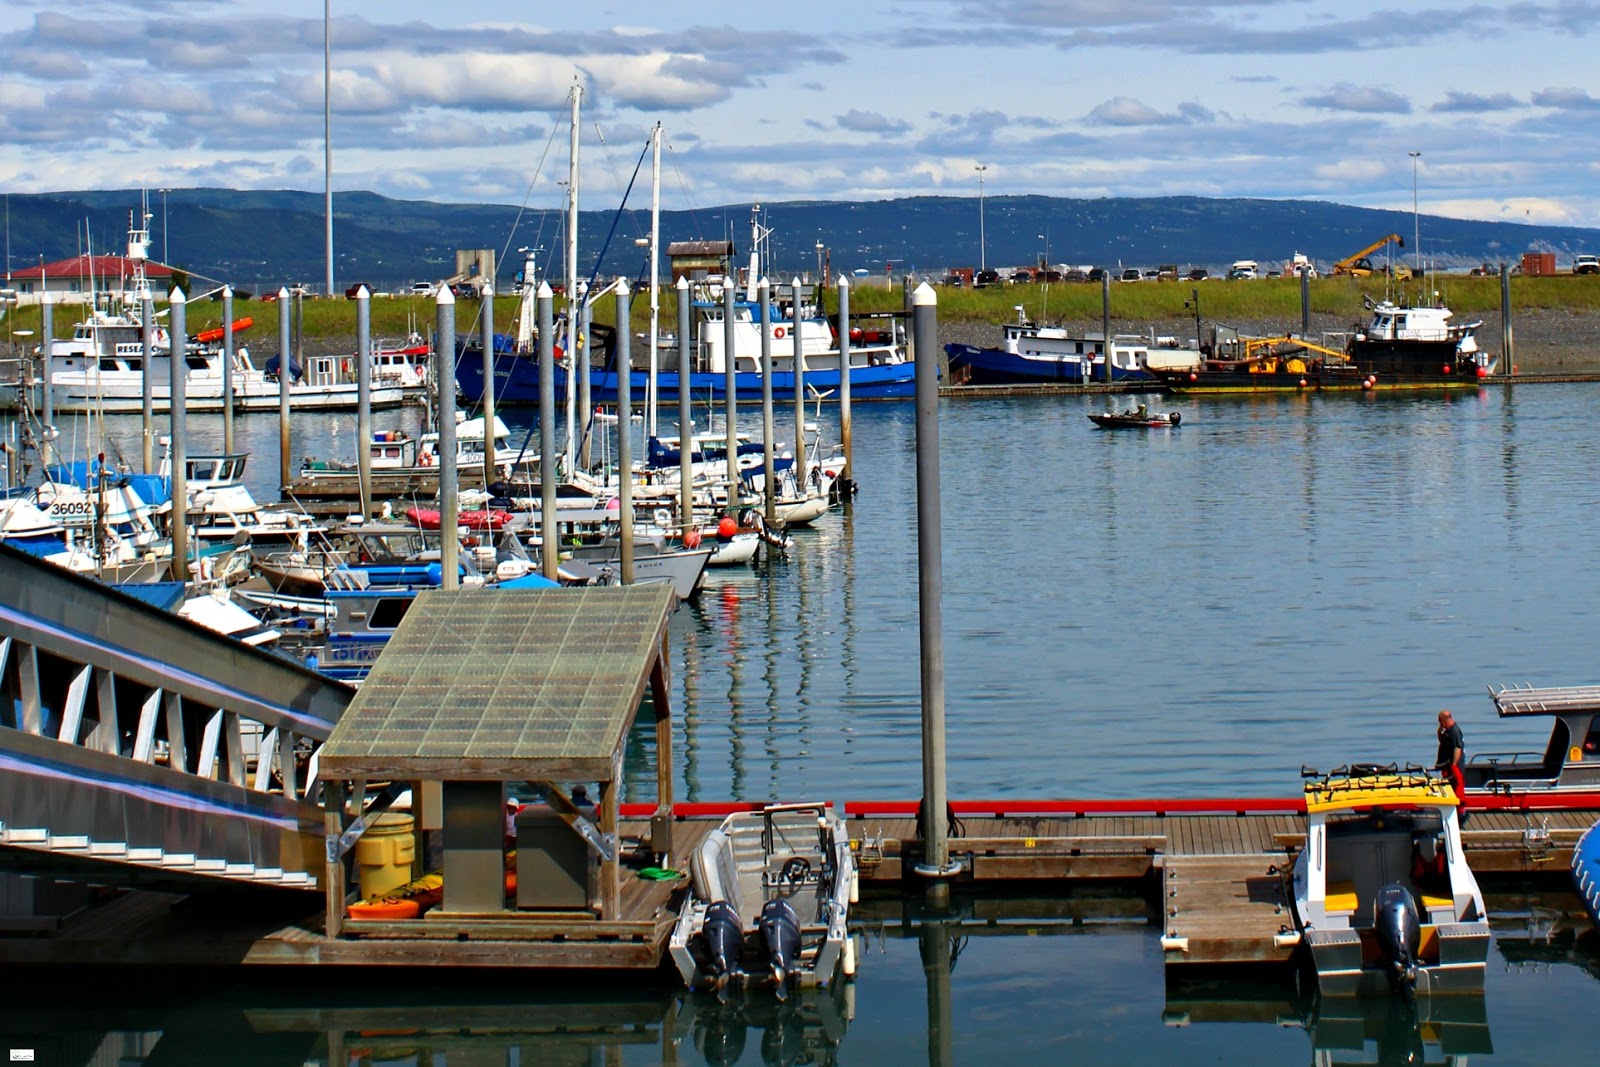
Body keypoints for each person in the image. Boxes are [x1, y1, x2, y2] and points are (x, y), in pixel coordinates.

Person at [1436, 709, 1468, 824]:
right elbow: (1441, 739)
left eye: (1440, 721)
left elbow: (1458, 748)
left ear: (1444, 720)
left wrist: (1454, 765)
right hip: (1447, 766)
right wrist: (1440, 729)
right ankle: (1454, 811)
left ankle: (1460, 813)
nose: (1440, 723)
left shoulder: (1455, 731)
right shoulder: (1447, 731)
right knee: (1451, 787)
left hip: (1454, 767)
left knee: (1457, 789)